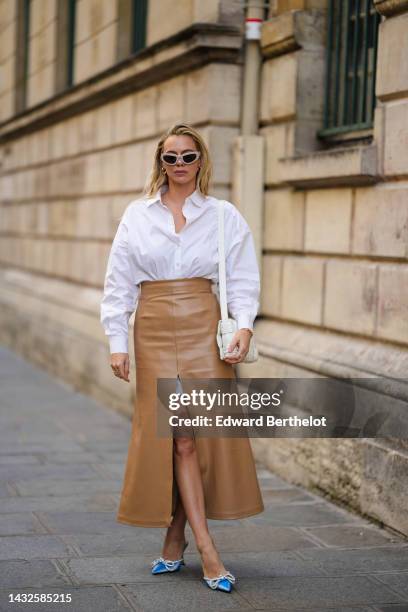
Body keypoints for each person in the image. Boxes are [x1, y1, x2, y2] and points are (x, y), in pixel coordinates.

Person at [100, 122, 264, 593]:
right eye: (170, 157)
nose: (179, 166)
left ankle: (180, 537)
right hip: (152, 326)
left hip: (201, 323)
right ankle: (204, 548)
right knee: (177, 438)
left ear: (201, 161)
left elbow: (244, 276)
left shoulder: (223, 215)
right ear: (160, 163)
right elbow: (119, 283)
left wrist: (246, 326)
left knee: (195, 437)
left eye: (187, 156)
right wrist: (118, 342)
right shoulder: (137, 215)